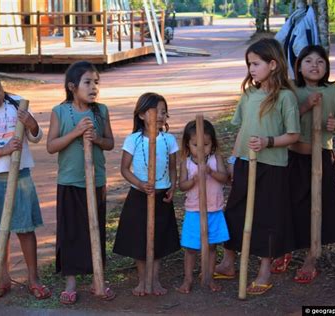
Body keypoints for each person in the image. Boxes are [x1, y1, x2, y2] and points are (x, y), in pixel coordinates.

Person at [215, 38, 300, 295]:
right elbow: (242, 129)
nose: (251, 69)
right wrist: (232, 160)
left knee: (267, 216)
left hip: (272, 165)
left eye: (256, 63)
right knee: (235, 210)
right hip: (244, 163)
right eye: (249, 64)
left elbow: (293, 135)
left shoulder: (286, 97)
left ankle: (264, 269)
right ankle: (229, 261)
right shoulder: (250, 94)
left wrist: (268, 141)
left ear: (273, 64)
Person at [0, 65, 50, 300]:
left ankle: (33, 279)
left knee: (25, 229)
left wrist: (33, 125)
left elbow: (35, 137)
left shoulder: (18, 103)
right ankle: (2, 277)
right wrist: (2, 151)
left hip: (21, 176)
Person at [272, 45, 335, 284]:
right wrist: (305, 106)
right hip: (293, 158)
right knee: (289, 206)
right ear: (298, 65)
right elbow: (281, 121)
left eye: (320, 61)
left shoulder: (333, 91)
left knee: (317, 207)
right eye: (308, 61)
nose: (314, 65)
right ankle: (286, 249)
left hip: (322, 158)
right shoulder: (291, 90)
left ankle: (310, 258)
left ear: (326, 67)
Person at [46, 61, 115, 305]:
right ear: (72, 87)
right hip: (70, 181)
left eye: (97, 82)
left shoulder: (101, 111)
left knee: (94, 229)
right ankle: (71, 281)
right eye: (88, 82)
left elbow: (110, 143)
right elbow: (51, 146)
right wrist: (75, 133)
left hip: (95, 181)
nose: (94, 87)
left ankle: (98, 276)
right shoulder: (60, 112)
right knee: (70, 231)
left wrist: (96, 138)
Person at [113, 92, 180, 296]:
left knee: (158, 239)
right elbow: (124, 169)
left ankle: (154, 279)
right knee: (140, 239)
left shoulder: (169, 139)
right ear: (141, 115)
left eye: (163, 112)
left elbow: (173, 168)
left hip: (161, 197)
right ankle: (142, 280)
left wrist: (172, 188)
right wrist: (140, 184)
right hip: (139, 197)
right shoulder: (133, 140)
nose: (160, 116)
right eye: (155, 111)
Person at [176, 119, 229, 294]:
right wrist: (193, 180)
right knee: (191, 248)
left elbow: (225, 178)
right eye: (195, 144)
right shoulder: (186, 163)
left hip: (214, 210)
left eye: (205, 144)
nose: (200, 149)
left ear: (212, 144)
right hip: (194, 211)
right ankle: (188, 279)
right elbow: (181, 185)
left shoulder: (216, 159)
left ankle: (209, 277)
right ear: (187, 144)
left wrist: (211, 172)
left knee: (212, 246)